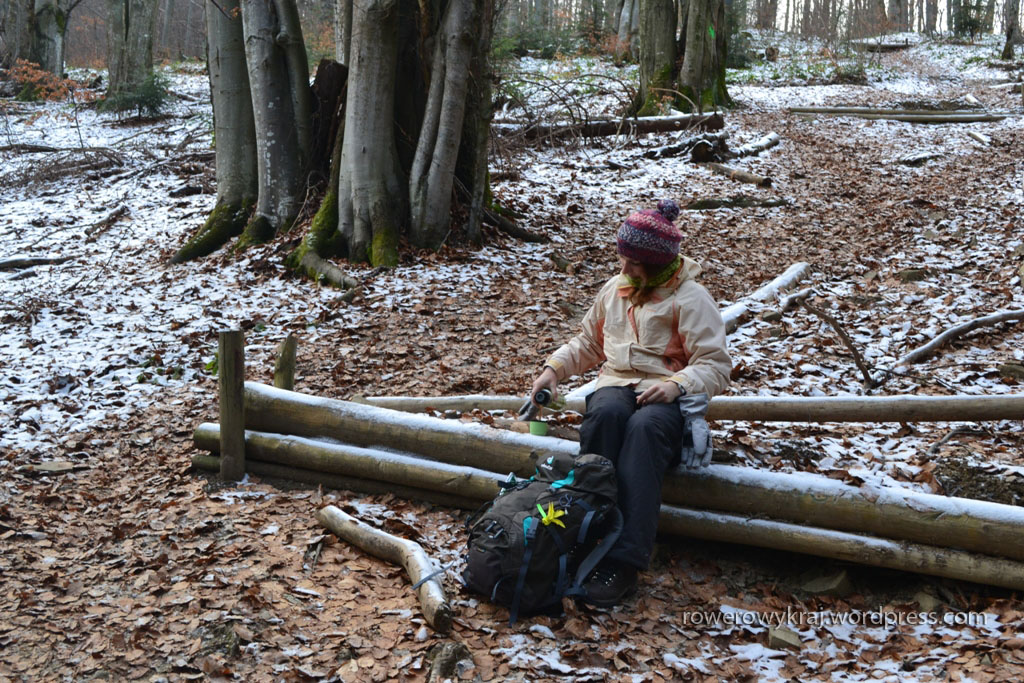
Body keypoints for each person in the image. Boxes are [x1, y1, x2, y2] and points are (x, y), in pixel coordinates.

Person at [529, 199, 732, 607]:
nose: (624, 268)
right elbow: (589, 343)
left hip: (668, 394)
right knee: (605, 414)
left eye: (634, 263)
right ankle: (586, 531)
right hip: (617, 383)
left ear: (657, 264)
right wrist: (554, 369)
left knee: (643, 429)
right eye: (623, 259)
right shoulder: (615, 290)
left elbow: (715, 365)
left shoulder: (691, 298)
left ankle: (624, 559)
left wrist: (677, 384)